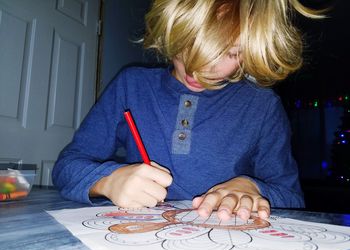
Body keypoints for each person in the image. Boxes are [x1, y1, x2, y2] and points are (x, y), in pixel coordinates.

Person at [52, 0, 324, 221]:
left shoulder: (263, 106)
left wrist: (252, 189)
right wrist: (107, 181)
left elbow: (291, 197)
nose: (200, 67)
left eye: (230, 53)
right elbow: (67, 167)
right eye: (188, 41)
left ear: (252, 50)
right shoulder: (131, 85)